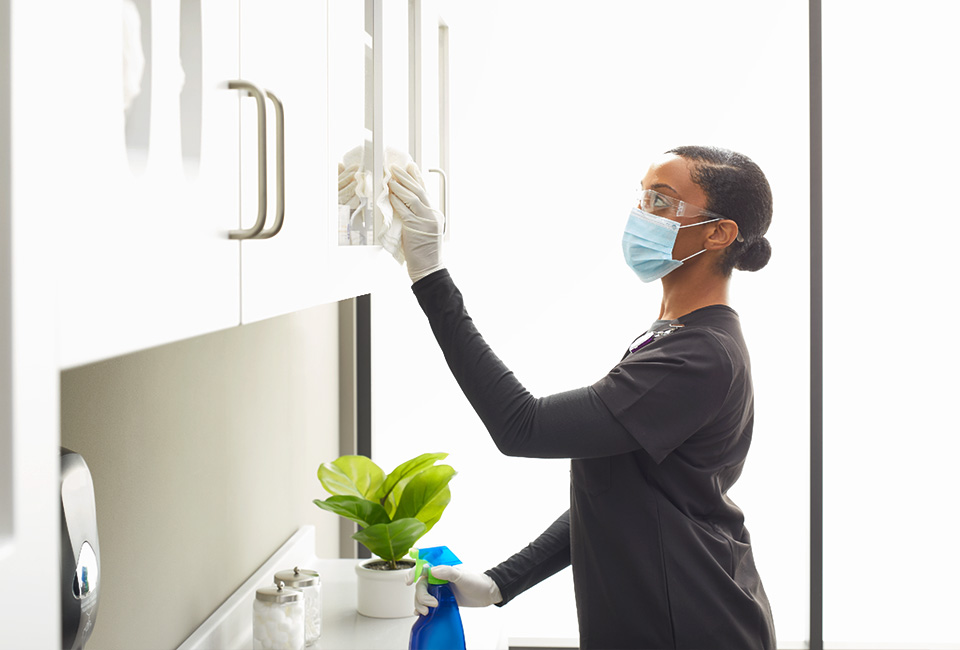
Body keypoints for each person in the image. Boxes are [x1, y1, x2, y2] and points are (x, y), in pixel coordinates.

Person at [388, 145, 777, 649]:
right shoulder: (672, 336)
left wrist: (431, 278)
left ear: (719, 232)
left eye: (661, 202)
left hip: (693, 625)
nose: (641, 215)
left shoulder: (699, 357)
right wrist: (503, 581)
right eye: (641, 198)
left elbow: (523, 426)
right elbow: (615, 496)